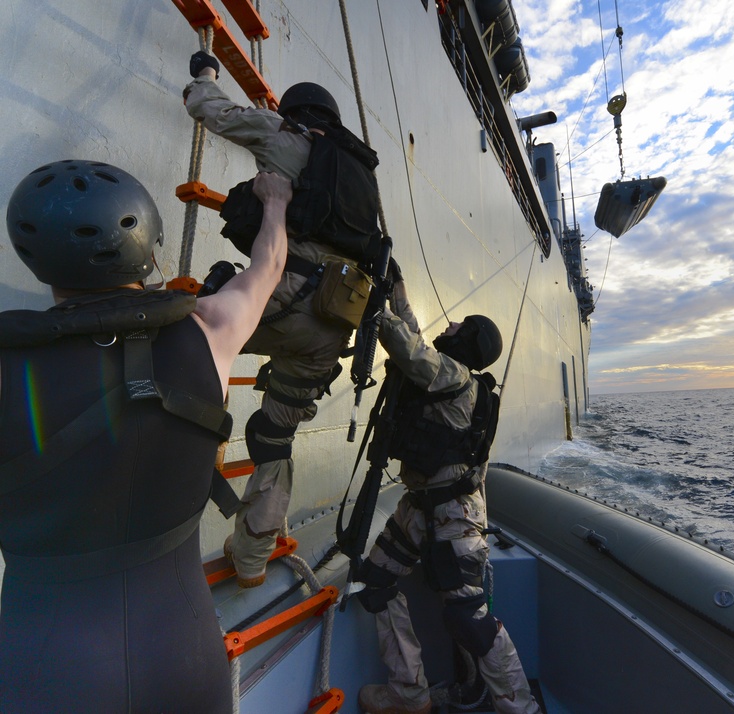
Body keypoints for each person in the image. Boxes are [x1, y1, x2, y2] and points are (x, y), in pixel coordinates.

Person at [0, 160, 292, 712]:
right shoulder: (211, 329)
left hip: (46, 668)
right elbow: (269, 265)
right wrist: (275, 201)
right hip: (184, 654)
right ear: (149, 249)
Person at [184, 51, 380, 588]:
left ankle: (188, 471)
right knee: (272, 438)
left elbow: (211, 109)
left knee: (194, 343)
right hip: (333, 327)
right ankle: (251, 559)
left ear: (296, 113)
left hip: (281, 297)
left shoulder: (287, 136)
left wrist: (205, 74)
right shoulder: (363, 183)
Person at [354, 272, 541, 714]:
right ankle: (408, 692)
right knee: (376, 582)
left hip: (455, 515)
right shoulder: (447, 376)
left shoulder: (452, 376)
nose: (451, 324)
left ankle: (521, 707)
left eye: (460, 325)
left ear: (469, 341)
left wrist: (367, 300)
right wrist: (396, 285)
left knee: (468, 618)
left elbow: (406, 346)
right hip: (419, 508)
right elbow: (413, 333)